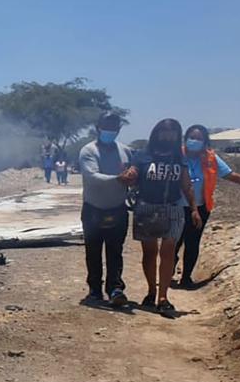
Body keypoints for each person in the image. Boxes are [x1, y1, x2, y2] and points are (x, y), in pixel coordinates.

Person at [175, 125, 240, 288]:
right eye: (192, 137)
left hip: (201, 207)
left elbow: (229, 174)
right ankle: (169, 267)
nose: (195, 141)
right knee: (174, 241)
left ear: (205, 141)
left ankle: (186, 278)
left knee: (192, 242)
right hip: (175, 206)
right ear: (185, 138)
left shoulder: (210, 158)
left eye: (199, 138)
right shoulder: (176, 155)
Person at [126, 119, 200, 318]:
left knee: (168, 252)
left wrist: (194, 209)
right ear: (156, 133)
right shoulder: (142, 155)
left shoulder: (179, 157)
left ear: (177, 135)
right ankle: (151, 291)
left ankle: (163, 297)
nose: (168, 136)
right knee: (150, 253)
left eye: (173, 132)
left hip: (173, 208)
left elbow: (186, 185)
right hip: (147, 207)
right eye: (164, 132)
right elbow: (132, 177)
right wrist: (130, 175)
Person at [79, 113, 136, 306]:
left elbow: (133, 173)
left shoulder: (126, 151)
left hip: (118, 209)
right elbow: (92, 176)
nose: (110, 130)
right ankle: (95, 289)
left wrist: (132, 177)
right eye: (107, 126)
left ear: (118, 129)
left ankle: (115, 288)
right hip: (94, 209)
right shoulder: (88, 151)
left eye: (114, 127)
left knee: (115, 251)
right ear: (98, 127)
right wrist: (118, 179)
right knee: (93, 251)